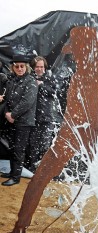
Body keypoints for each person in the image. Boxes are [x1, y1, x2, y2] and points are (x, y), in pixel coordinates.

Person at [1, 55, 38, 186]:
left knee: (18, 149)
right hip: (11, 120)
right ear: (13, 67)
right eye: (17, 66)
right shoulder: (12, 81)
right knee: (12, 148)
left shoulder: (31, 81)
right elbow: (7, 100)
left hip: (24, 122)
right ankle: (13, 172)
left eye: (22, 66)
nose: (20, 68)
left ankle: (15, 177)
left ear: (26, 67)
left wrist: (13, 115)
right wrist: (6, 113)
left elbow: (27, 102)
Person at [27, 56, 57, 173]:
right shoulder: (29, 78)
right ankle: (32, 169)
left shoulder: (50, 78)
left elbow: (54, 92)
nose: (39, 69)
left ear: (44, 67)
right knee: (33, 145)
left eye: (41, 67)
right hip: (33, 117)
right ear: (33, 68)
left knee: (45, 145)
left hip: (47, 118)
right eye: (37, 67)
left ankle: (43, 170)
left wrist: (41, 85)